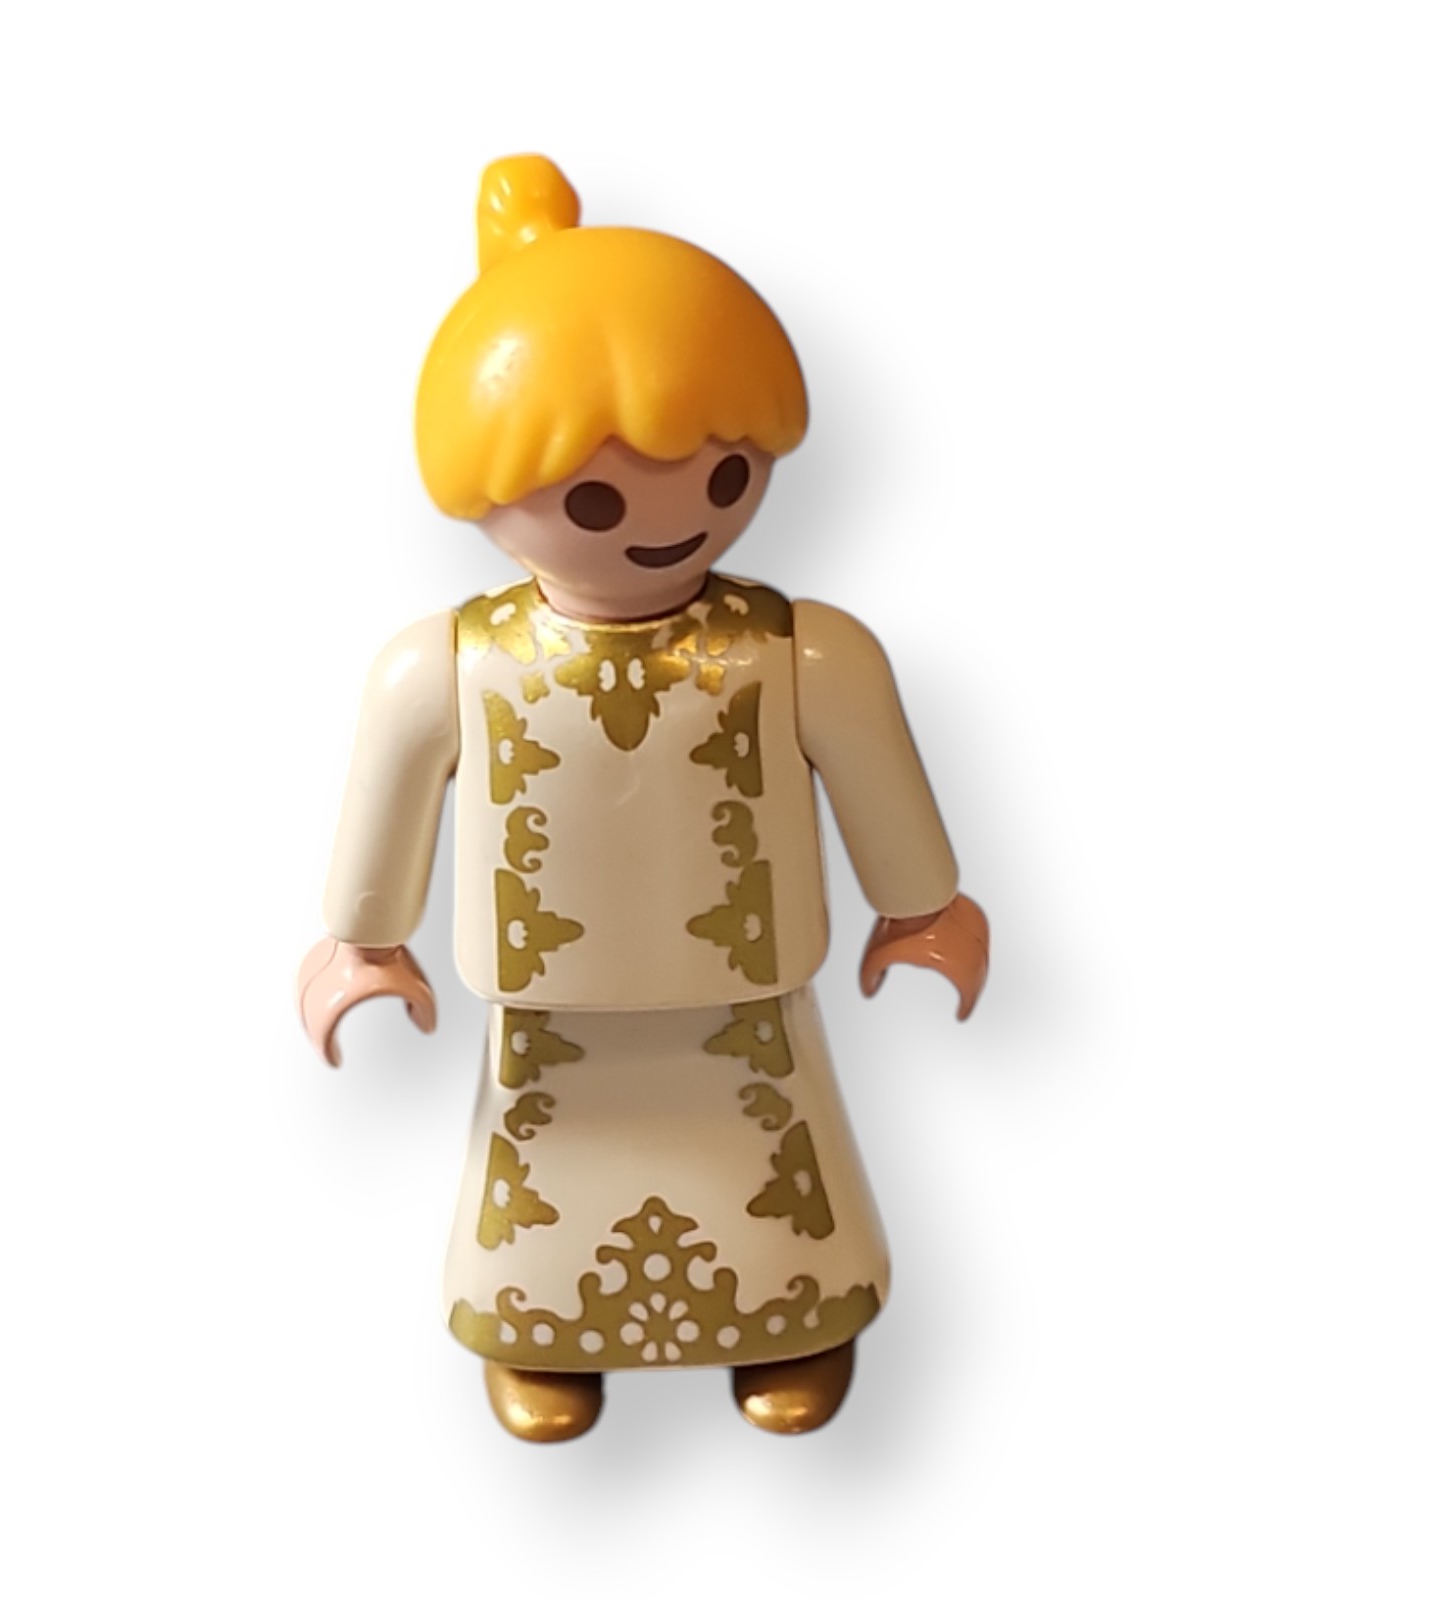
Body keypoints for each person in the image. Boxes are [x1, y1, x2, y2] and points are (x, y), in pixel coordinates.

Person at [297, 155, 989, 1443]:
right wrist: (362, 939)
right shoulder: (447, 667)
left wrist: (923, 905)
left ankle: (790, 1321)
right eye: (597, 499)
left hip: (746, 1000)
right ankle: (540, 1331)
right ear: (479, 487)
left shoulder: (803, 653)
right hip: (551, 1015)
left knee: (767, 1158)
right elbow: (387, 807)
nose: (669, 521)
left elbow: (878, 781)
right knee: (542, 1171)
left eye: (724, 476)